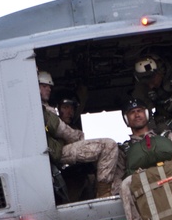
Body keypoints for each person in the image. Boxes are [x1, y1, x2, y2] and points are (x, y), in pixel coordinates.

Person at [39, 70, 119, 198]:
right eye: (44, 86)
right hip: (56, 153)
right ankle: (104, 194)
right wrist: (78, 137)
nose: (48, 89)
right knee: (108, 145)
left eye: (49, 86)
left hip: (57, 153)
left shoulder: (45, 108)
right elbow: (58, 128)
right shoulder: (41, 110)